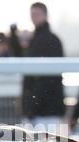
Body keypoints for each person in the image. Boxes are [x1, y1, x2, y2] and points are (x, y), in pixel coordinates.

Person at [9, 2, 65, 130]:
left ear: (45, 15)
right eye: (32, 14)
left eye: (37, 14)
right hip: (38, 109)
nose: (34, 17)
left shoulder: (48, 40)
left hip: (45, 110)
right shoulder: (36, 39)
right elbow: (21, 61)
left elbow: (47, 78)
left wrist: (32, 106)